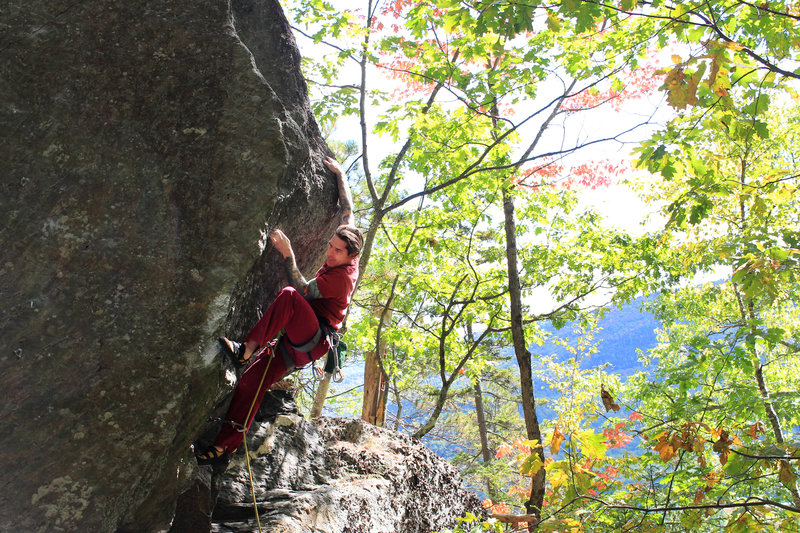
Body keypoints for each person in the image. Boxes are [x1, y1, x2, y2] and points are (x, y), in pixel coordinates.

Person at [196, 156, 362, 466]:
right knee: (249, 384)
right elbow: (347, 208)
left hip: (313, 338)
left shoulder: (341, 279)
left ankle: (247, 348)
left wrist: (288, 255)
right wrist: (340, 174)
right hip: (297, 341)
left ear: (351, 255)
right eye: (330, 245)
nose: (330, 252)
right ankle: (223, 448)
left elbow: (301, 289)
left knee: (287, 295)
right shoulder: (347, 238)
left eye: (337, 251)